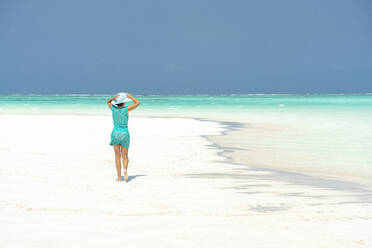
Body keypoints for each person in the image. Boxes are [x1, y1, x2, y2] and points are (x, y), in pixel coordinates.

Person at [107, 93, 141, 182]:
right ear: (124, 102)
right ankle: (125, 169)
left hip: (115, 133)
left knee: (117, 156)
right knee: (125, 155)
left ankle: (119, 178)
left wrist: (113, 98)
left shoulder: (113, 109)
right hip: (125, 133)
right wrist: (130, 97)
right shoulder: (127, 109)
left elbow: (108, 102)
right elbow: (138, 103)